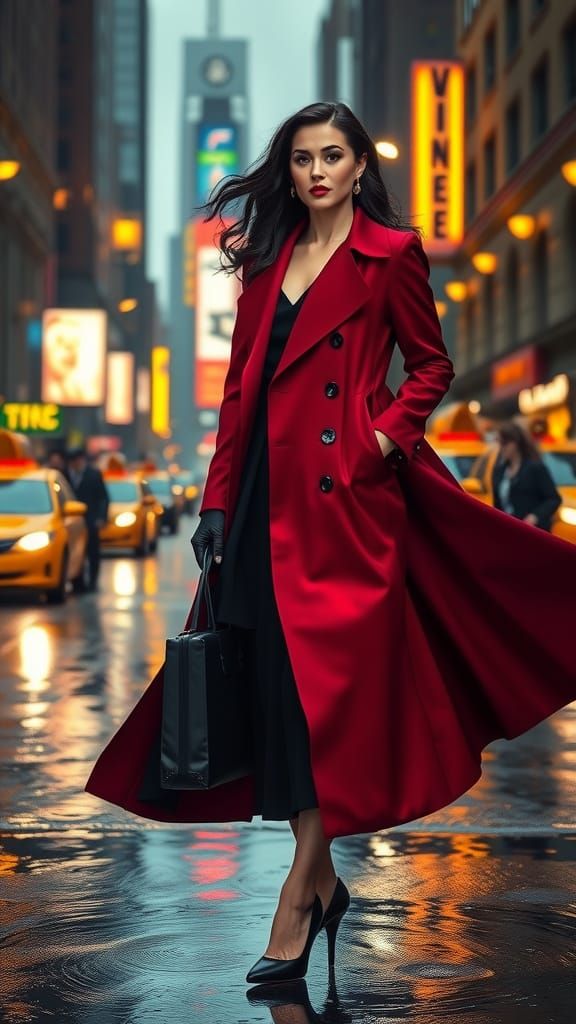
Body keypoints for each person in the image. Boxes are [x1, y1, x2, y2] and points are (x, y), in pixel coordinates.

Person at [85, 102, 576, 985]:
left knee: (329, 707)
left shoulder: (391, 256)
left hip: (349, 509)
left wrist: (378, 442)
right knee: (281, 699)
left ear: (358, 168)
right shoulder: (267, 264)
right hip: (264, 512)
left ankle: (300, 895)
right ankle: (319, 883)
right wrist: (216, 505)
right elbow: (240, 394)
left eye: (333, 157)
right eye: (303, 158)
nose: (317, 172)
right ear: (293, 170)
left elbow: (431, 367)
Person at [493, 421, 561, 531]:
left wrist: (535, 516)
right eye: (499, 443)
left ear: (516, 443)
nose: (501, 448)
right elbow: (497, 505)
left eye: (504, 443)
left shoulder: (535, 468)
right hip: (509, 531)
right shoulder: (500, 470)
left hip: (533, 532)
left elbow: (553, 498)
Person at [67, 447, 109, 590]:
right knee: (77, 552)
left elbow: (103, 498)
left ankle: (92, 581)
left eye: (77, 460)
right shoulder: (65, 475)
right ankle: (77, 582)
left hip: (90, 521)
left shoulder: (94, 475)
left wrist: (101, 518)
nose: (75, 464)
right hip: (71, 522)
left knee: (93, 552)